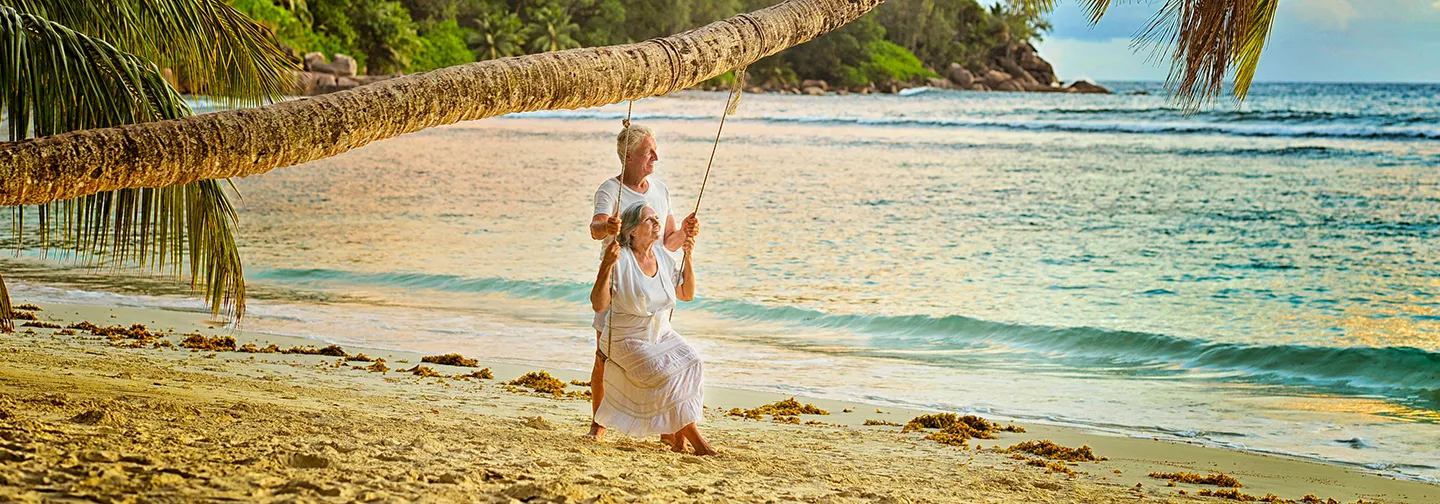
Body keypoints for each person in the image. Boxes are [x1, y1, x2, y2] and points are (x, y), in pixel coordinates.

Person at [586, 123, 698, 440]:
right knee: (603, 357)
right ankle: (599, 425)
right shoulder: (610, 189)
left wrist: (685, 232)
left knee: (658, 357)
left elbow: (668, 242)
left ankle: (666, 426)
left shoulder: (661, 190)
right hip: (620, 281)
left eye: (655, 150)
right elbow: (595, 228)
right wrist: (610, 225)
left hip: (655, 282)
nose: (656, 157)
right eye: (650, 151)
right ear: (631, 156)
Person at [590, 202, 714, 455]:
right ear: (633, 230)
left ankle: (679, 440)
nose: (657, 223)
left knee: (693, 362)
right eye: (650, 220)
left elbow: (686, 294)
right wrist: (606, 266)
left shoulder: (664, 257)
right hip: (626, 337)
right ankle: (699, 443)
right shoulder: (619, 258)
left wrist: (688, 257)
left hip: (660, 332)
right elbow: (598, 303)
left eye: (658, 218)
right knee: (665, 375)